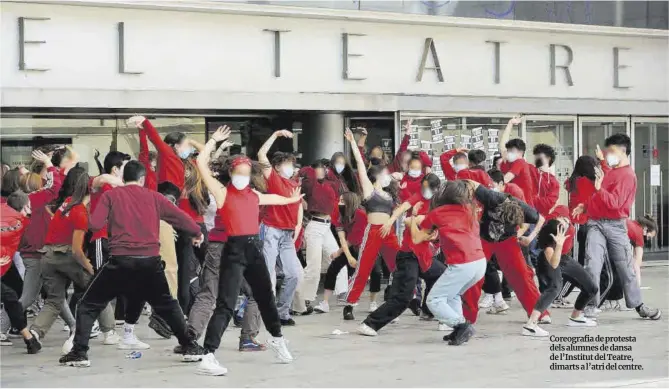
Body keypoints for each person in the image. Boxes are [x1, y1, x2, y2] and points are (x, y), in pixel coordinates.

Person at [59, 161, 204, 367]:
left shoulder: (111, 196)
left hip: (120, 261)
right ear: (143, 179)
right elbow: (180, 218)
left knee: (88, 305)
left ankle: (80, 352)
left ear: (123, 178)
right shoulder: (155, 197)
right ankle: (189, 346)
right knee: (168, 304)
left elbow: (95, 224)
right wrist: (196, 233)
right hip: (150, 262)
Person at [192, 126, 302, 376]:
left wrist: (291, 200)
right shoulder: (221, 193)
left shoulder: (253, 193)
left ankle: (277, 338)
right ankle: (208, 355)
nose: (242, 176)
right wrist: (212, 140)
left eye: (245, 172)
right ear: (231, 173)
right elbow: (200, 162)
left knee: (266, 297)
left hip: (255, 249)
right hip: (234, 250)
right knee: (226, 304)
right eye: (238, 172)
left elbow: (273, 199)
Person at [572, 133, 661, 321]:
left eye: (611, 151)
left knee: (625, 267)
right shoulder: (610, 171)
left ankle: (639, 305)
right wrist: (586, 205)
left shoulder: (628, 176)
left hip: (616, 225)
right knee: (592, 264)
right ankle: (589, 305)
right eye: (607, 151)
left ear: (623, 152)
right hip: (595, 222)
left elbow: (614, 203)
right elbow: (599, 196)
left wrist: (598, 190)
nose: (608, 155)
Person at [360, 174, 447, 335]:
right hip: (409, 255)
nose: (425, 190)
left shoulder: (438, 202)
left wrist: (434, 230)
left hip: (423, 256)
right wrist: (391, 220)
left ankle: (427, 311)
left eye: (429, 187)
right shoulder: (419, 197)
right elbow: (402, 209)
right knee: (404, 296)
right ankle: (370, 324)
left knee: (441, 273)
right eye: (424, 186)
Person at [408, 181, 487, 345]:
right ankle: (458, 330)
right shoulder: (470, 210)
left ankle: (461, 326)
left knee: (434, 300)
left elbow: (417, 238)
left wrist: (413, 219)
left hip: (462, 263)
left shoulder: (437, 213)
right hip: (479, 262)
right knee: (453, 294)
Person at [464, 180, 548, 324]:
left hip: (507, 241)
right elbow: (470, 182)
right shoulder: (492, 197)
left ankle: (538, 312)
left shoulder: (524, 209)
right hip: (485, 240)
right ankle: (466, 317)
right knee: (473, 274)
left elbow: (541, 219)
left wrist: (529, 237)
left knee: (522, 275)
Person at [342, 128, 400, 321]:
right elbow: (359, 163)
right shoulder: (369, 189)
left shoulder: (389, 194)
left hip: (389, 232)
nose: (387, 176)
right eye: (384, 174)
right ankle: (350, 303)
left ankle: (404, 299)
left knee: (398, 265)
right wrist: (353, 142)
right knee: (364, 268)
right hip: (374, 231)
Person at [257, 130, 303, 326]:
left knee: (294, 273)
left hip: (286, 233)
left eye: (292, 164)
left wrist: (297, 230)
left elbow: (298, 208)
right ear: (276, 167)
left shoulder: (294, 183)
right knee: (267, 274)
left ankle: (282, 312)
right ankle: (261, 312)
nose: (291, 167)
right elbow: (261, 154)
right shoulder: (273, 178)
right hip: (270, 230)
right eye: (287, 164)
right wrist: (274, 135)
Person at [523, 219, 598, 337]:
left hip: (563, 259)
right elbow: (554, 264)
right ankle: (530, 325)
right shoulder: (548, 248)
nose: (565, 222)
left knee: (592, 287)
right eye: (562, 223)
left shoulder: (564, 231)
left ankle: (576, 317)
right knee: (554, 288)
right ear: (555, 233)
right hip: (551, 261)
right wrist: (559, 245)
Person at [295, 159, 342, 315]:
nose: (322, 170)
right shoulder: (310, 184)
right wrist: (306, 171)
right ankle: (302, 301)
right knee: (313, 267)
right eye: (319, 168)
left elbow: (337, 179)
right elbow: (304, 174)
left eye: (324, 168)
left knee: (337, 259)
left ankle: (342, 293)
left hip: (327, 225)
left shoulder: (330, 183)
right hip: (315, 225)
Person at [0, 191, 42, 353]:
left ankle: (20, 330)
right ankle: (28, 337)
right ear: (24, 207)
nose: (30, 211)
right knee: (10, 296)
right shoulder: (16, 222)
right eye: (29, 207)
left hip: (5, 263)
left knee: (17, 289)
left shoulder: (8, 214)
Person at [313, 192, 365, 313]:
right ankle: (325, 303)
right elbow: (342, 238)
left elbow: (353, 239)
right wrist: (344, 255)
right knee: (333, 269)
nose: (339, 203)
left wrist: (342, 253)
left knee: (362, 273)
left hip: (362, 245)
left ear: (350, 202)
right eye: (339, 200)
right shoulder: (339, 214)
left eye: (342, 201)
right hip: (348, 245)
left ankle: (357, 300)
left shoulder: (361, 215)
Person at [498, 116, 535, 206]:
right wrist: (510, 123)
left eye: (511, 151)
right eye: (508, 150)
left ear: (520, 152)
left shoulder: (520, 162)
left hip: (525, 206)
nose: (508, 153)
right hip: (513, 203)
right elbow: (502, 146)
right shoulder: (509, 161)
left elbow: (506, 179)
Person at [627, 215, 658, 287]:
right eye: (649, 237)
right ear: (646, 229)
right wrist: (638, 284)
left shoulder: (632, 223)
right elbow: (637, 263)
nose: (648, 240)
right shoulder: (639, 235)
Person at [529, 144, 559, 217]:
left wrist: (532, 199)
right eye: (535, 155)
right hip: (527, 213)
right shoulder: (530, 170)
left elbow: (550, 202)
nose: (536, 158)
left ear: (548, 158)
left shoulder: (553, 181)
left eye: (539, 155)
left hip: (542, 217)